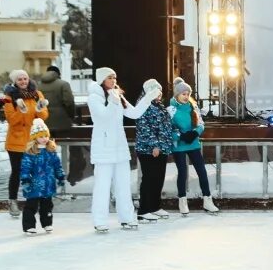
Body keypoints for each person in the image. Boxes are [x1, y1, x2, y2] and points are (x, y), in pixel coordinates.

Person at [87, 67, 158, 232]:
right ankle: (99, 220)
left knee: (123, 185)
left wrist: (148, 98)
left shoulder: (117, 95)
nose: (113, 80)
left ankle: (126, 217)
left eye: (115, 77)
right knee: (102, 186)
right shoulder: (94, 98)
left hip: (119, 147)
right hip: (104, 148)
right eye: (110, 77)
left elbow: (134, 114)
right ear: (102, 80)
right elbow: (103, 117)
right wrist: (112, 101)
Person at [2, 69, 49, 217]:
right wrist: (20, 111)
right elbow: (11, 120)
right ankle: (13, 201)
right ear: (15, 82)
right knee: (17, 172)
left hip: (32, 140)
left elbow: (43, 116)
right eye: (20, 79)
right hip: (15, 141)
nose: (23, 82)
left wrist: (40, 109)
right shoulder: (9, 97)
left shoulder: (37, 94)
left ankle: (34, 201)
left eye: (25, 79)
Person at [169, 78, 218, 215]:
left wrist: (195, 133)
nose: (186, 97)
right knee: (183, 173)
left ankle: (207, 200)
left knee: (201, 171)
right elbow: (169, 129)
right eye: (183, 94)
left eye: (187, 94)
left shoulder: (193, 107)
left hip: (193, 143)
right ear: (177, 95)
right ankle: (182, 201)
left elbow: (201, 124)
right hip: (179, 146)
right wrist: (180, 136)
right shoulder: (171, 109)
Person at [35, 65, 83, 185]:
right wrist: (70, 117)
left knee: (44, 150)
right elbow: (69, 102)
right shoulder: (63, 84)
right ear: (58, 73)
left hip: (44, 124)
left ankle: (46, 179)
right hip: (63, 124)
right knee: (74, 147)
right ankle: (74, 178)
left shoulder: (37, 86)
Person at [134, 79, 175, 221]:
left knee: (158, 178)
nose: (160, 94)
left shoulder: (159, 105)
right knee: (149, 178)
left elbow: (165, 126)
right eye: (157, 91)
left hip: (161, 148)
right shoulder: (143, 105)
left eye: (160, 92)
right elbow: (145, 127)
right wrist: (154, 145)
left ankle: (155, 206)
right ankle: (144, 209)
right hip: (148, 149)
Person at [18, 118, 64, 235]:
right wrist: (26, 180)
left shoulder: (51, 151)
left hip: (48, 185)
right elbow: (25, 168)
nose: (44, 139)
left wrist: (60, 177)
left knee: (47, 206)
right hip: (34, 185)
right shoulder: (30, 152)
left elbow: (57, 166)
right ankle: (29, 226)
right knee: (31, 206)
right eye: (41, 136)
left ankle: (47, 223)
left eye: (46, 136)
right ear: (35, 137)